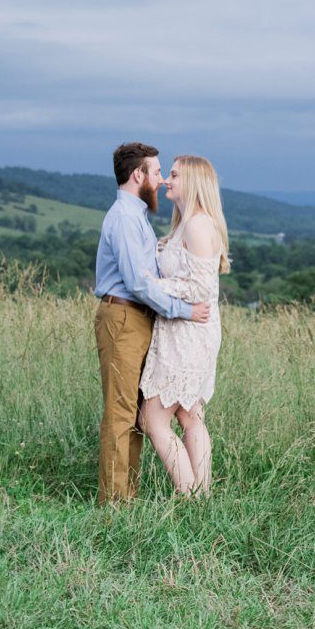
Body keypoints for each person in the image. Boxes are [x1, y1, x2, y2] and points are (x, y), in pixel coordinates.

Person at [94, 142, 210, 504]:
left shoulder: (137, 216)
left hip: (141, 318)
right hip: (124, 316)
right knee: (121, 410)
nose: (160, 180)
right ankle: (115, 504)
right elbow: (139, 283)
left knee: (140, 412)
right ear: (138, 175)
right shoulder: (126, 218)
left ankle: (130, 493)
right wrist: (184, 310)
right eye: (157, 172)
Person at [138, 154, 229, 496]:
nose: (165, 180)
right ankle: (202, 497)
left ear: (192, 181)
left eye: (173, 175)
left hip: (189, 334)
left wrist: (152, 284)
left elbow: (200, 287)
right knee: (190, 414)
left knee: (153, 420)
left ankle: (188, 493)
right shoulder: (186, 223)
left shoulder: (198, 224)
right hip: (183, 330)